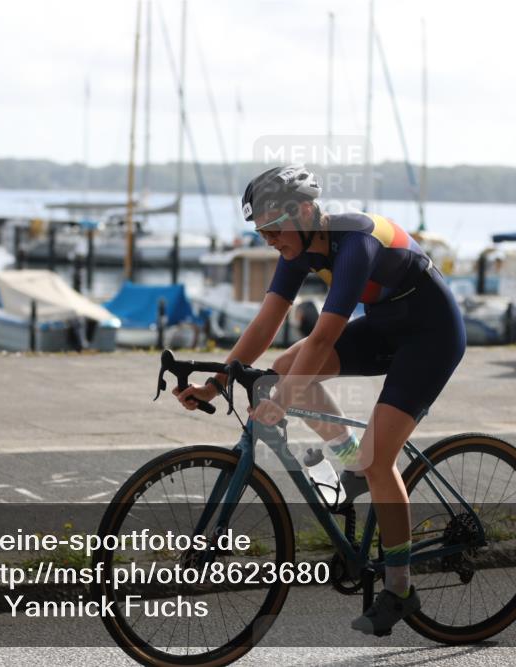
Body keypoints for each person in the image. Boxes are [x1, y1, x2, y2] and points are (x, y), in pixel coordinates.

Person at [174, 164, 466, 635]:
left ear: (305, 211)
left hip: (431, 337)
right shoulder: (298, 247)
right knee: (286, 374)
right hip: (387, 327)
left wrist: (281, 402)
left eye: (272, 226)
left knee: (379, 459)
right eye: (260, 229)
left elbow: (323, 336)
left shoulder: (356, 243)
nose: (267, 238)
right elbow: (266, 323)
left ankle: (400, 588)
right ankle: (350, 459)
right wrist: (217, 384)